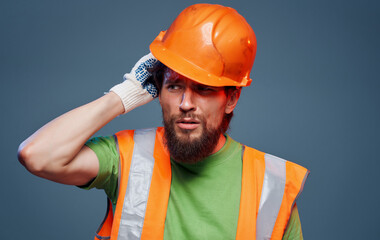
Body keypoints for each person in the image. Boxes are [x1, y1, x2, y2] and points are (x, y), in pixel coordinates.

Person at [18, 3, 309, 240]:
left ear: (231, 99)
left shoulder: (271, 185)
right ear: (157, 90)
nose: (185, 104)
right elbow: (37, 156)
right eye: (174, 86)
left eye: (204, 89)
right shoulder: (127, 157)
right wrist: (123, 95)